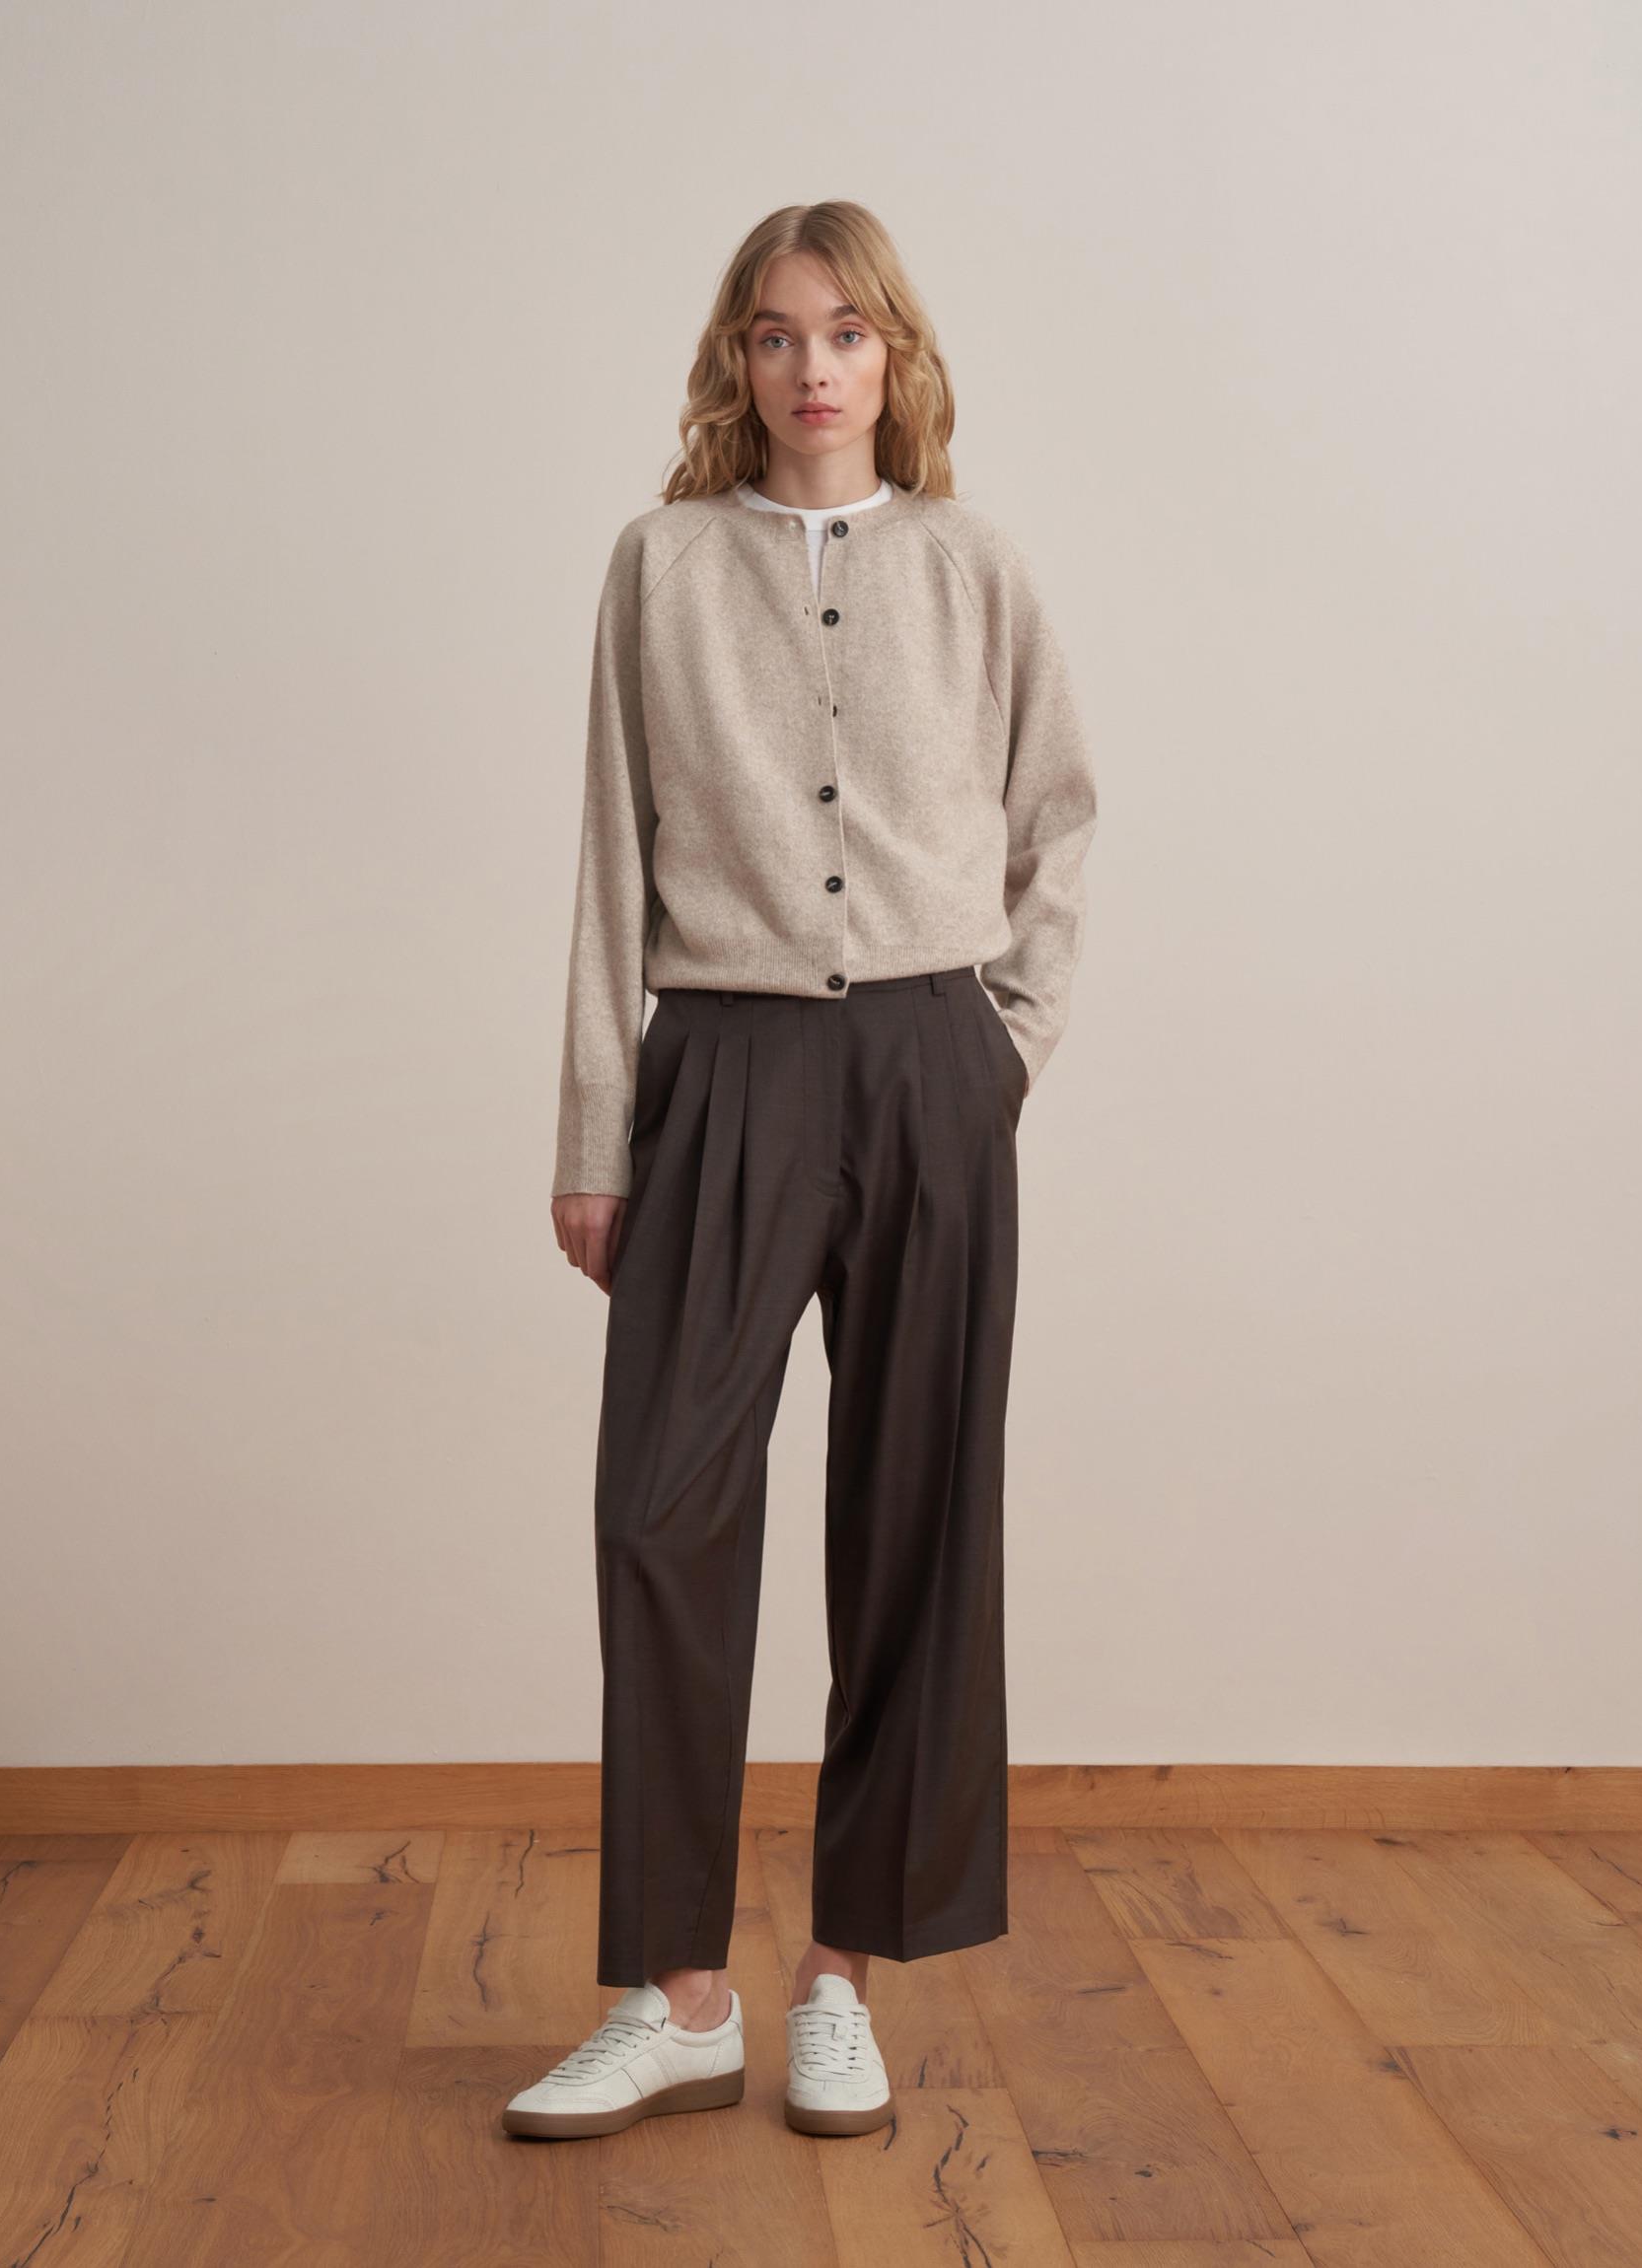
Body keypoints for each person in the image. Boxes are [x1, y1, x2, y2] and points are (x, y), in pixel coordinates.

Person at [504, 200, 1098, 2144]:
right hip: (725, 1061)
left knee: (915, 1514)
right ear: (736, 360)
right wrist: (597, 1132)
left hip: (931, 1065)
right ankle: (681, 1998)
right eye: (775, 333)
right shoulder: (662, 566)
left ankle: (846, 1975)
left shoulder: (973, 564)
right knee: (660, 1510)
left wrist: (1000, 1050)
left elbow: (1057, 814)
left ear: (892, 353)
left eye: (845, 330)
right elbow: (610, 854)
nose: (812, 365)